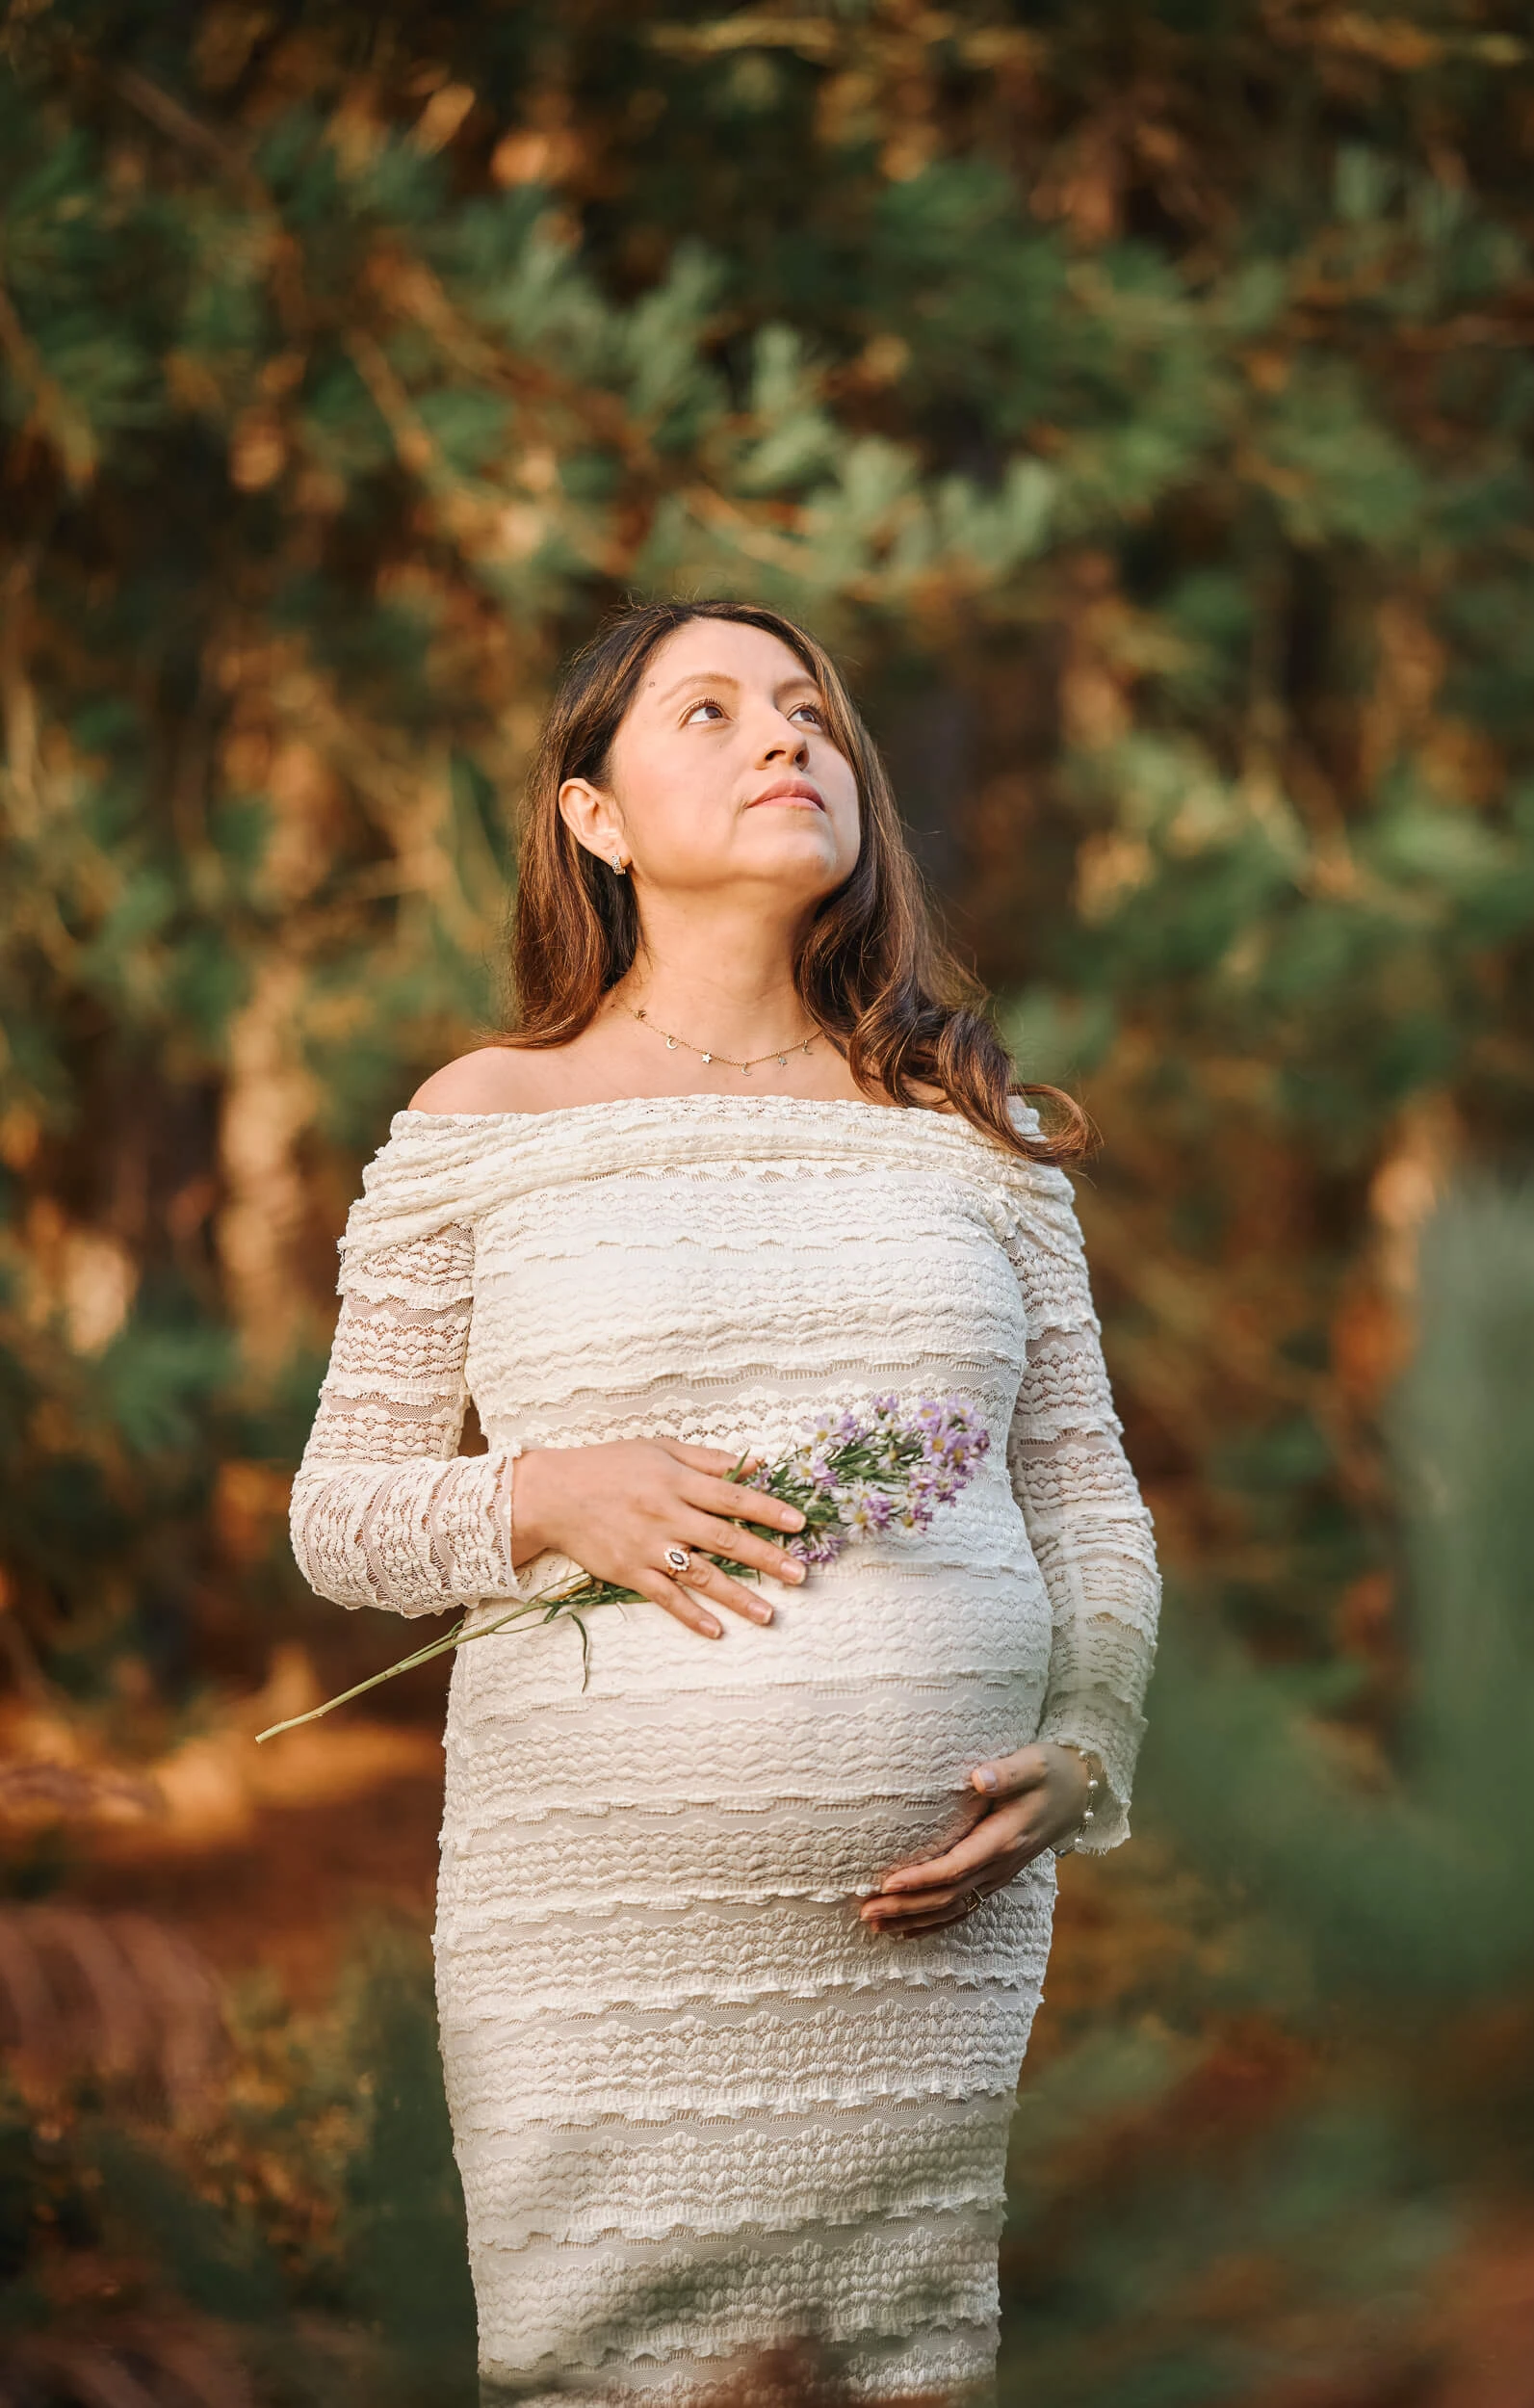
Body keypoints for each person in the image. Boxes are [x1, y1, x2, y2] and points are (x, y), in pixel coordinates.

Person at [289, 599, 1161, 2406]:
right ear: (592, 816)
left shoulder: (967, 1126)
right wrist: (544, 1495)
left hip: (932, 1940)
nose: (790, 742)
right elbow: (343, 1515)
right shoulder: (484, 1120)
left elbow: (1082, 1493)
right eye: (712, 712)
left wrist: (1088, 1749)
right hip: (590, 1940)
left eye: (811, 715)